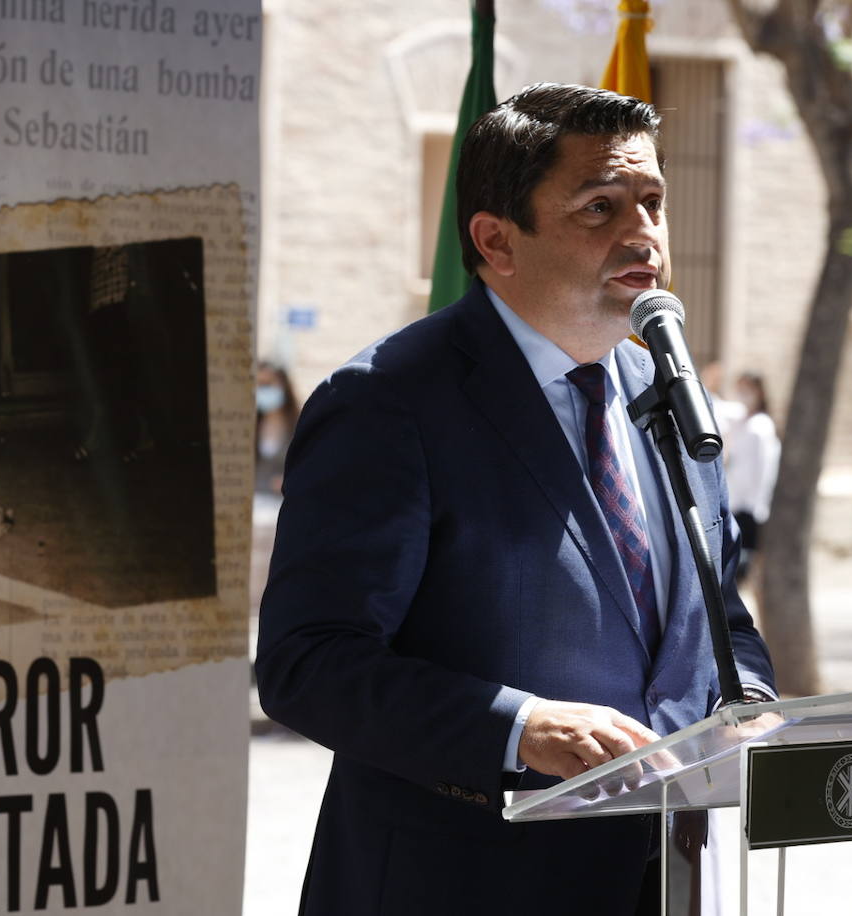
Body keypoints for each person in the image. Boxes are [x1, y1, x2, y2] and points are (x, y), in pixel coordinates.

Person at [255, 83, 775, 915]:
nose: (642, 233)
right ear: (496, 240)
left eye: (652, 201)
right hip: (457, 883)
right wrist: (520, 726)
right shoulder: (388, 403)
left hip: (661, 877)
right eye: (599, 208)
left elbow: (719, 623)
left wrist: (750, 704)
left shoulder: (666, 390)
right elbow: (306, 664)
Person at [724, 372, 780, 581]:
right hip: (735, 502)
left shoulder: (762, 425)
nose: (743, 394)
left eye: (747, 389)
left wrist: (758, 504)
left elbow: (765, 468)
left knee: (747, 567)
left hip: (751, 507)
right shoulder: (740, 421)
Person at [253, 359, 299, 496]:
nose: (263, 389)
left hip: (284, 504)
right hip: (255, 504)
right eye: (259, 385)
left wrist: (289, 481)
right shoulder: (250, 427)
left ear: (283, 385)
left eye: (268, 384)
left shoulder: (299, 424)